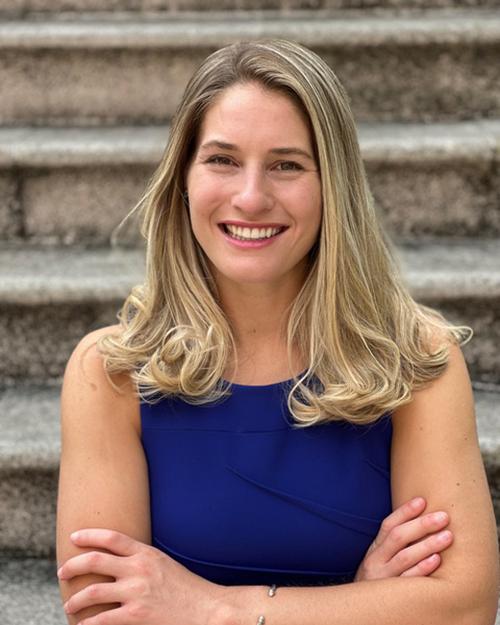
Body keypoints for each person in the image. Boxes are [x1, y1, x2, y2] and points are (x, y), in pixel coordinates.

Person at [56, 39, 499, 625]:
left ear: (332, 187)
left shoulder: (414, 360)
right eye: (222, 160)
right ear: (183, 178)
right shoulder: (109, 373)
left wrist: (213, 608)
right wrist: (362, 603)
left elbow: (463, 608)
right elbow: (104, 612)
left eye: (287, 165)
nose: (251, 197)